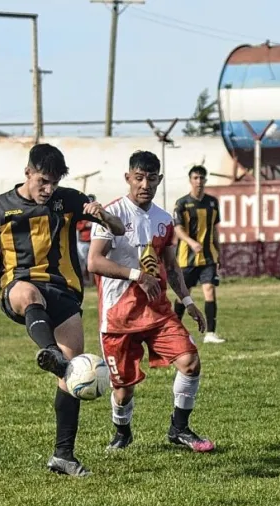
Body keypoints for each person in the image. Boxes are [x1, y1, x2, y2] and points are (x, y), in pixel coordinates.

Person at [0, 143, 125, 477]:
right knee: (29, 294)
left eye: (54, 183)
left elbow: (118, 229)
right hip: (20, 286)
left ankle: (64, 457)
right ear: (27, 172)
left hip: (64, 291)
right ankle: (48, 351)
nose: (48, 189)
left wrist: (103, 214)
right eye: (43, 181)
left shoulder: (68, 199)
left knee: (72, 375)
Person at [87, 150, 215, 453]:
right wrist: (136, 275)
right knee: (123, 390)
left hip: (157, 311)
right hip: (119, 316)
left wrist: (187, 299)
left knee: (190, 362)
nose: (145, 184)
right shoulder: (110, 213)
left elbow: (170, 266)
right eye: (139, 178)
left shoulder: (163, 219)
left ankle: (179, 429)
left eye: (151, 178)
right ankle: (122, 433)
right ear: (128, 178)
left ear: (159, 179)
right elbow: (94, 262)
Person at [172, 165, 226, 344]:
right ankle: (174, 330)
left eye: (202, 178)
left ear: (205, 180)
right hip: (186, 257)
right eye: (195, 178)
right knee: (183, 294)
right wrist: (191, 242)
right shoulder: (182, 203)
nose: (199, 181)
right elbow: (178, 229)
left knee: (209, 290)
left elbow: (214, 230)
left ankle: (210, 333)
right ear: (190, 180)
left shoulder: (212, 203)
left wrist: (219, 252)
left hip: (208, 256)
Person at [75, 194, 96, 277]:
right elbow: (77, 226)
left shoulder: (95, 212)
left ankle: (91, 281)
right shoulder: (80, 212)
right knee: (82, 262)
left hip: (92, 242)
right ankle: (84, 280)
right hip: (82, 241)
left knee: (91, 262)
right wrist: (85, 225)